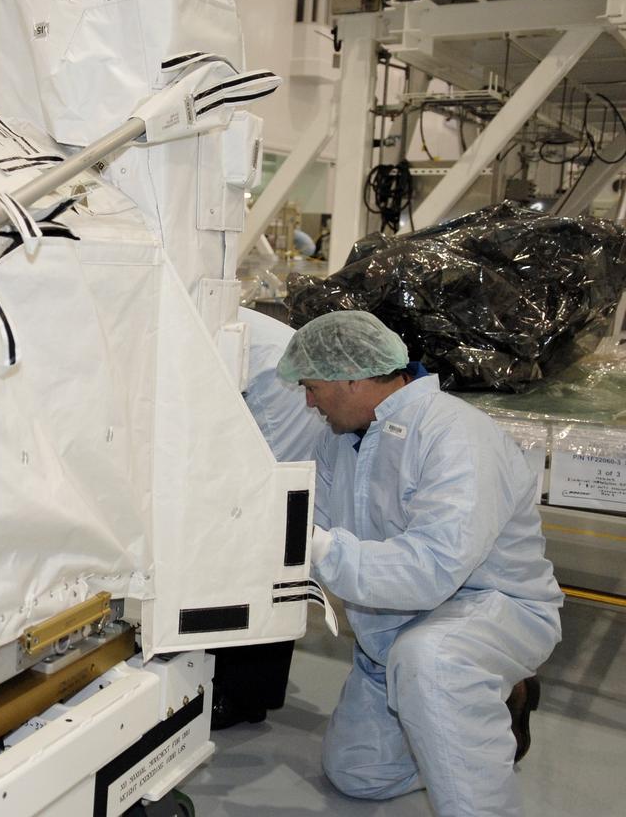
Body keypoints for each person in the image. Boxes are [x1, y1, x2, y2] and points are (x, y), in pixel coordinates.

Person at [277, 310, 561, 816]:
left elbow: (432, 567)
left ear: (351, 377)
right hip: (391, 632)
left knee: (432, 662)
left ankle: (479, 735)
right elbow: (310, 525)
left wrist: (320, 549)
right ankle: (470, 723)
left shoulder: (455, 434)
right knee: (356, 774)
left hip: (489, 609)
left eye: (313, 386)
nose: (308, 401)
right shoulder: (339, 441)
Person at [210, 307, 331, 729]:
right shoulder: (210, 310)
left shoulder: (203, 314)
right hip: (278, 405)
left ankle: (243, 696)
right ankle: (247, 691)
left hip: (281, 412)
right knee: (269, 546)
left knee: (266, 545)